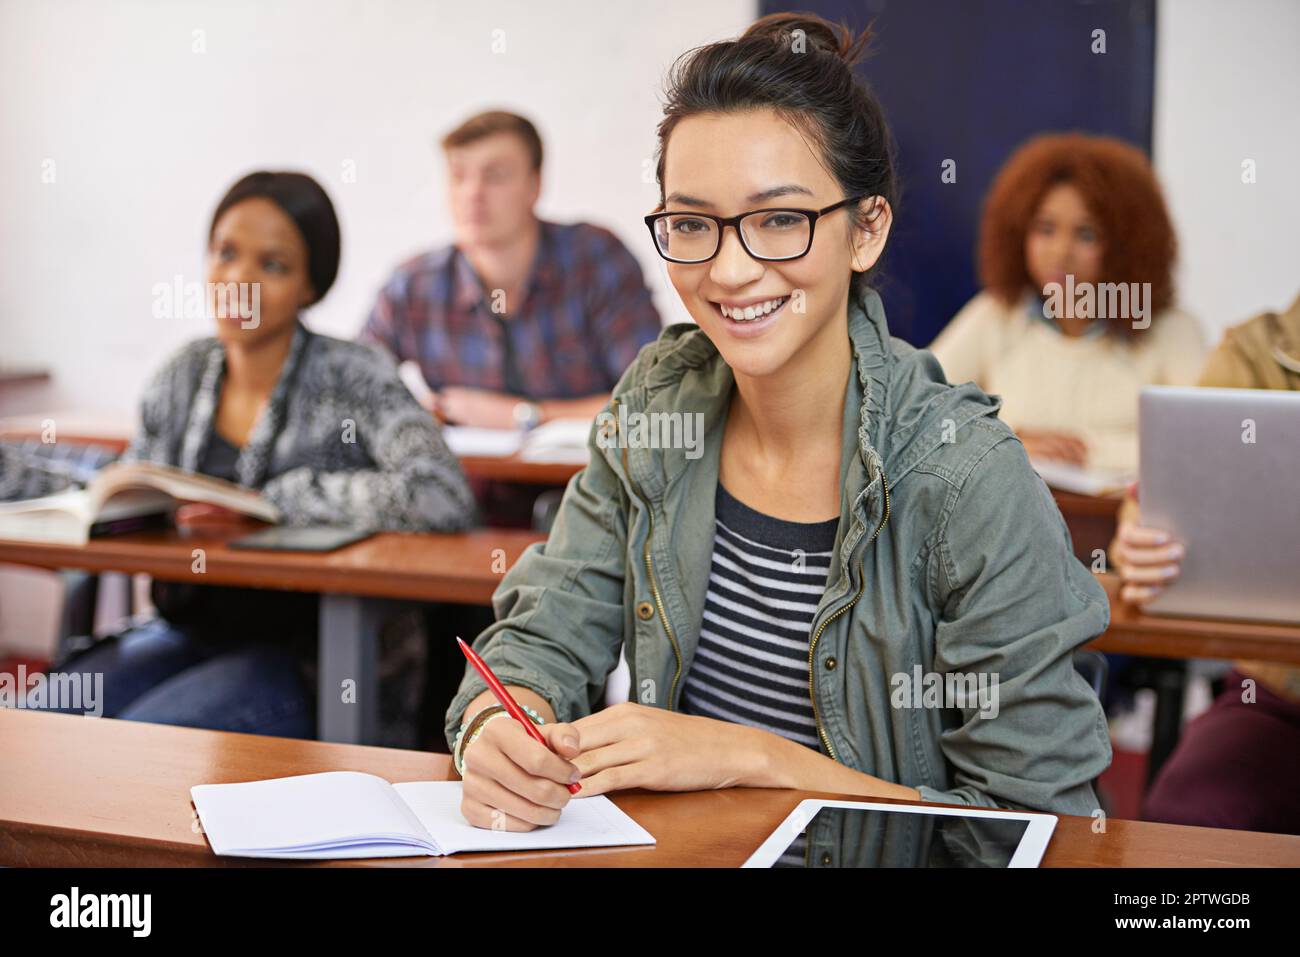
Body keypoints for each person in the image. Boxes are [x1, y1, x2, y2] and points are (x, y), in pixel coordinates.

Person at [443, 14, 1113, 846]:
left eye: (778, 219)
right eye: (691, 224)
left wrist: (754, 759)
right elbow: (545, 628)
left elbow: (1037, 832)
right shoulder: (660, 407)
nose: (728, 269)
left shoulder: (968, 480)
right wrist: (499, 728)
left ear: (866, 229)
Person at [2, 171, 475, 738]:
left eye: (272, 265)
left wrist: (276, 502)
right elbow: (133, 482)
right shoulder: (183, 373)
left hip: (313, 657)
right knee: (32, 728)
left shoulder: (355, 374)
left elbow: (440, 493)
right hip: (185, 631)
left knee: (145, 741)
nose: (240, 281)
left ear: (310, 284)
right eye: (226, 254)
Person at [359, 110, 664, 525]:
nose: (472, 193)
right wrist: (414, 416)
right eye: (459, 175)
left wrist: (525, 415)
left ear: (535, 186)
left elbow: (652, 403)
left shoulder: (596, 260)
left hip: (593, 508)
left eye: (495, 175)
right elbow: (356, 396)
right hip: (462, 515)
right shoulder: (414, 285)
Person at [1111, 291, 1300, 835]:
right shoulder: (1257, 350)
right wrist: (1140, 534)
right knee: (1189, 817)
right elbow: (1165, 490)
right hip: (1280, 693)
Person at [929, 133, 1206, 473]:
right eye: (1045, 229)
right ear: (1019, 234)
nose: (1061, 252)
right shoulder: (996, 315)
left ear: (1127, 245)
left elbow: (1203, 446)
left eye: (1086, 234)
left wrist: (1086, 451)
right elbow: (918, 418)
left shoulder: (1171, 331)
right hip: (1012, 522)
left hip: (1127, 523)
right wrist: (1008, 442)